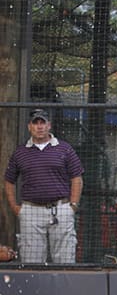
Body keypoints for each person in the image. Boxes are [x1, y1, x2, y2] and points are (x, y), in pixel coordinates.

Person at [4, 109, 84, 263]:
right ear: (29, 127)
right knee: (30, 261)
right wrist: (15, 207)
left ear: (49, 126)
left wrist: (73, 205)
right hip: (30, 211)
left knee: (65, 259)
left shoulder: (65, 148)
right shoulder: (20, 152)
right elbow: (9, 180)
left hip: (61, 209)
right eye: (36, 123)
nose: (39, 127)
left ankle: (63, 287)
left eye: (43, 123)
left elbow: (77, 177)